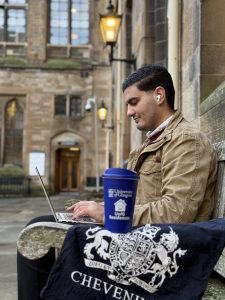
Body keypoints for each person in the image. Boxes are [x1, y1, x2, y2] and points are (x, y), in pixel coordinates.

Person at [17, 64, 217, 300]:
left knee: (39, 234)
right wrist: (96, 209)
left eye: (133, 102)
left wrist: (107, 214)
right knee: (40, 227)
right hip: (136, 238)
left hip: (164, 255)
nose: (129, 112)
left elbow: (177, 213)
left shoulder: (186, 142)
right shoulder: (154, 141)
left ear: (159, 95)